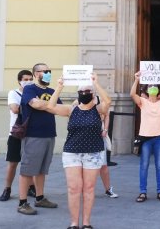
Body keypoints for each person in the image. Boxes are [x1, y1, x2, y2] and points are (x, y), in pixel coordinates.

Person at [47, 73, 111, 229]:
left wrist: (96, 84)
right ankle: (74, 223)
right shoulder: (71, 110)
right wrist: (60, 86)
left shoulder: (98, 109)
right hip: (72, 153)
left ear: (93, 94)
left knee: (89, 189)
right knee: (73, 188)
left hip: (93, 153)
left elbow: (108, 101)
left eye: (87, 91)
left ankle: (87, 223)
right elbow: (50, 107)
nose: (84, 94)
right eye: (81, 91)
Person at [17, 63, 61, 215]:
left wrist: (47, 104)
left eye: (49, 71)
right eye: (44, 71)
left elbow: (57, 109)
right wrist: (48, 105)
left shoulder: (52, 91)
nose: (48, 73)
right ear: (36, 74)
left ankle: (40, 198)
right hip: (33, 135)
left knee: (42, 169)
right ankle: (23, 203)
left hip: (49, 134)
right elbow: (35, 104)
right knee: (28, 170)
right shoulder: (30, 88)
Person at [130, 71, 160, 202]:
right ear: (146, 90)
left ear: (158, 91)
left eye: (155, 86)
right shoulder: (142, 102)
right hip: (145, 139)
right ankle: (142, 192)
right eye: (150, 86)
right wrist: (136, 80)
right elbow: (132, 94)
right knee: (144, 165)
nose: (153, 87)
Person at [0, 70, 36, 202]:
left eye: (30, 79)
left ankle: (31, 187)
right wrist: (32, 105)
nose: (28, 81)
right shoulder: (13, 93)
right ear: (19, 80)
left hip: (31, 133)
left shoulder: (34, 93)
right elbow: (14, 108)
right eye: (25, 79)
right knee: (13, 162)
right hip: (16, 132)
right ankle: (7, 189)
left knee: (30, 163)